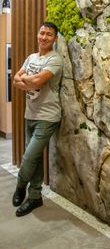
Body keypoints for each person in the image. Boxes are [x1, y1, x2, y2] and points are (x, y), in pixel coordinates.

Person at [12, 21, 63, 217]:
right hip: (30, 114)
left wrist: (25, 81)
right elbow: (16, 78)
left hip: (47, 116)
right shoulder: (31, 57)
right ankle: (35, 197)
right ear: (37, 34)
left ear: (54, 38)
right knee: (35, 159)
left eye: (49, 34)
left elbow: (38, 81)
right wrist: (27, 82)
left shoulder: (55, 59)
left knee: (28, 157)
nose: (44, 37)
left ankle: (20, 185)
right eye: (42, 33)